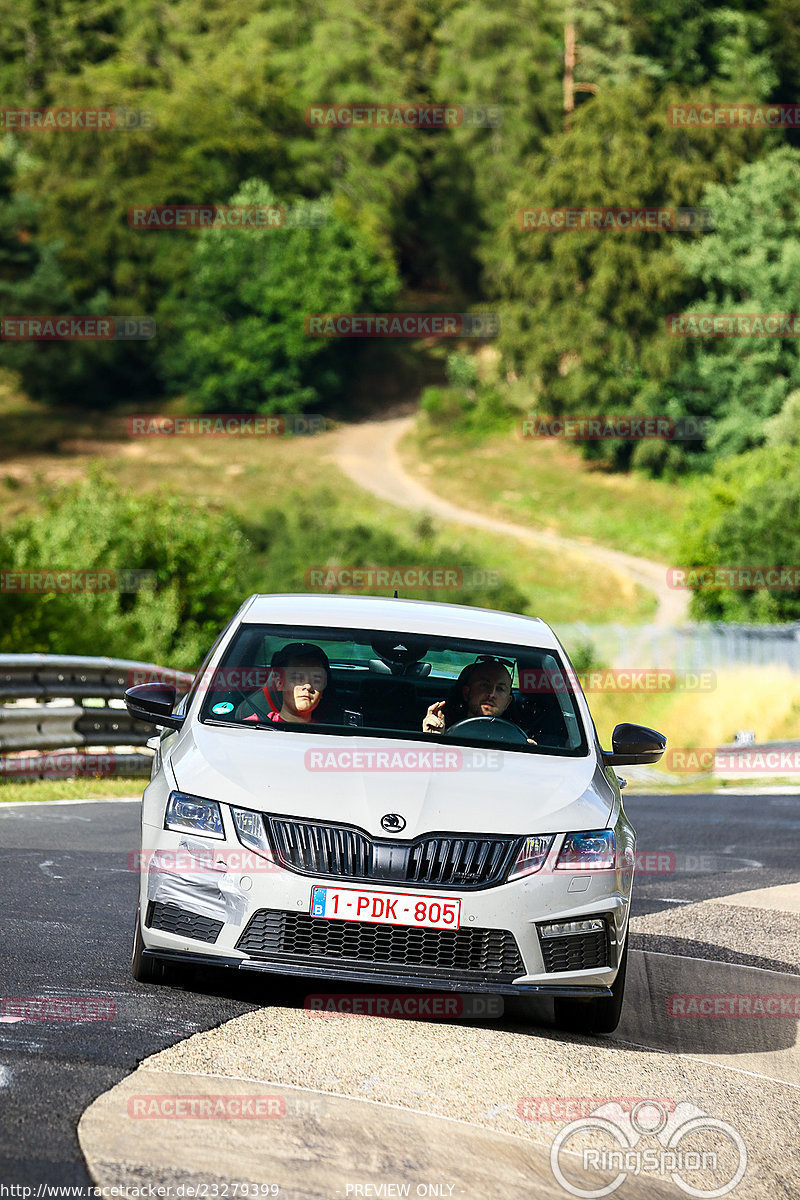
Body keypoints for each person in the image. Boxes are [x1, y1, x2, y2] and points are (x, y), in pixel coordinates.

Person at [235, 643, 334, 724]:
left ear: (322, 691)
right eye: (298, 678)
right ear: (279, 683)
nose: (308, 686)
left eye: (316, 680)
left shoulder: (330, 735)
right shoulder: (252, 726)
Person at [422, 659, 514, 732]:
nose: (492, 694)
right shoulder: (444, 729)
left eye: (500, 689)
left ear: (508, 702)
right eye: (484, 685)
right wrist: (433, 739)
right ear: (466, 693)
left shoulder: (518, 741)